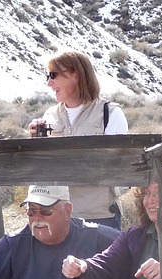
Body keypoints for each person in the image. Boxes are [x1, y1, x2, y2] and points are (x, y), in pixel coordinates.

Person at [28, 51, 129, 230]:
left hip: (100, 216)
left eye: (53, 75)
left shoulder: (110, 113)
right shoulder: (49, 115)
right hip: (58, 217)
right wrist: (34, 144)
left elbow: (115, 166)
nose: (49, 83)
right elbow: (42, 166)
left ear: (75, 75)